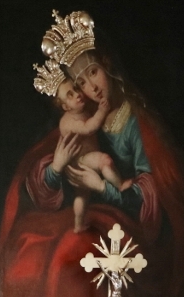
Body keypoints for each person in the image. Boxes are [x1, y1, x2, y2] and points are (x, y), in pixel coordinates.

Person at [0, 11, 184, 297]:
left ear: (107, 65)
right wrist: (56, 168)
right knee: (29, 246)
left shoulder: (134, 123)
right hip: (86, 212)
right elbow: (41, 173)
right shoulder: (82, 116)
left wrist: (103, 188)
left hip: (127, 226)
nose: (91, 87)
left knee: (72, 250)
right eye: (81, 84)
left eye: (93, 72)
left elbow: (152, 195)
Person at [52, 75, 131, 232]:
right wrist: (102, 111)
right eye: (70, 95)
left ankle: (78, 225)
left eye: (76, 89)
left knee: (82, 195)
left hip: (81, 160)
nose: (77, 94)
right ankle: (120, 185)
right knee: (105, 161)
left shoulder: (80, 111)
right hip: (81, 161)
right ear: (66, 107)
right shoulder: (68, 121)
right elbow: (88, 128)